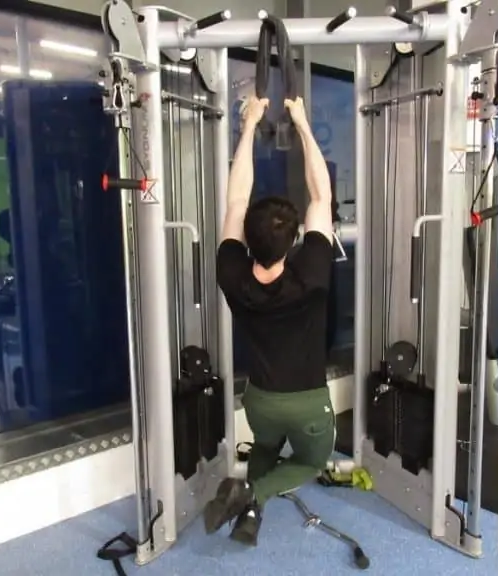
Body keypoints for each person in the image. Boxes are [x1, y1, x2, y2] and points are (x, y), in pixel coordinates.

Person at [202, 94, 337, 546]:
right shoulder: (313, 274)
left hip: (258, 400)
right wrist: (301, 121)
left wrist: (248, 127)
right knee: (311, 462)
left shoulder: (232, 274)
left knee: (263, 446)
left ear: (247, 240)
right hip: (306, 405)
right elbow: (321, 193)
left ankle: (250, 515)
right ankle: (251, 492)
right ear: (295, 238)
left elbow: (237, 198)